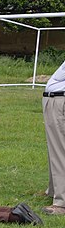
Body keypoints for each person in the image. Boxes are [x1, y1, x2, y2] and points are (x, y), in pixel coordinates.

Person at [42, 60, 65, 215]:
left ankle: (61, 202)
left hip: (60, 101)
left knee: (60, 151)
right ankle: (53, 190)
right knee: (55, 149)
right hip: (54, 99)